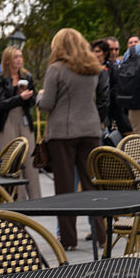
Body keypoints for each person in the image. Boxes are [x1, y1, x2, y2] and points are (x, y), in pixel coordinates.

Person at [37, 28, 108, 251]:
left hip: (63, 132)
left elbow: (47, 103)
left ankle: (68, 239)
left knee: (65, 187)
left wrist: (39, 97)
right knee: (91, 183)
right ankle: (101, 233)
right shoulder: (93, 70)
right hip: (90, 129)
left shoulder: (55, 69)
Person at [0, 46, 41, 198]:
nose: (19, 59)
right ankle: (17, 199)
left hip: (25, 119)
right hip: (7, 121)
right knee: (12, 161)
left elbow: (32, 102)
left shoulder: (28, 76)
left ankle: (36, 198)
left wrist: (29, 97)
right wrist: (18, 98)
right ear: (7, 60)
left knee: (30, 161)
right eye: (15, 57)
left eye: (20, 56)